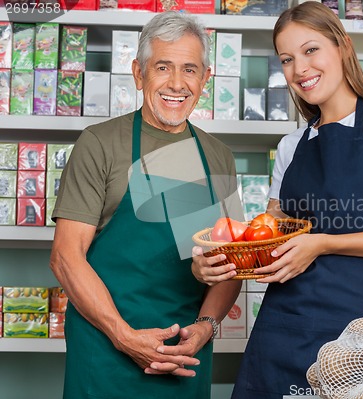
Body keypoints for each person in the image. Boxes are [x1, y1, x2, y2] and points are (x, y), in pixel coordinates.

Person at [191, 2, 363, 398]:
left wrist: (323, 243)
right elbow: (268, 239)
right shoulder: (291, 146)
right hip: (282, 332)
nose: (300, 69)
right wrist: (221, 260)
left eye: (311, 50)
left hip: (359, 343)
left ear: (342, 46)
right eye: (287, 59)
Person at [50, 11, 242, 399]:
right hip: (105, 356)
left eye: (189, 70)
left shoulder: (217, 156)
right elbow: (66, 258)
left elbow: (231, 264)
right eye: (162, 67)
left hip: (184, 359)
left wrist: (204, 328)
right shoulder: (100, 144)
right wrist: (124, 337)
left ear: (205, 79)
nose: (176, 83)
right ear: (139, 74)